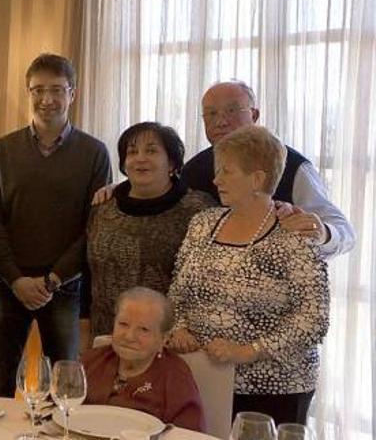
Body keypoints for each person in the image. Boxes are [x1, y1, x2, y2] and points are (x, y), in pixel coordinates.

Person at [168, 125, 329, 424]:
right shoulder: (203, 223)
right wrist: (179, 328)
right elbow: (179, 288)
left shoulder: (295, 235)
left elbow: (313, 319)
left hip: (275, 390)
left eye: (227, 172)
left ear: (257, 179)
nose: (216, 180)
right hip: (204, 375)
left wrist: (249, 351)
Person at [93, 80, 355, 259]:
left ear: (254, 115)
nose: (221, 121)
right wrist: (122, 188)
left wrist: (323, 232)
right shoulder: (196, 167)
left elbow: (344, 232)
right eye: (211, 113)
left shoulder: (292, 165)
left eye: (232, 110)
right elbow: (164, 196)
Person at [0, 53, 111, 397]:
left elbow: (95, 226)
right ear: (28, 92)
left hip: (65, 286)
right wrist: (15, 278)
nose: (47, 99)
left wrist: (53, 279)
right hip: (8, 283)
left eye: (56, 90)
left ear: (73, 93)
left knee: (65, 386)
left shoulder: (94, 153)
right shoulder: (3, 150)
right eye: (38, 90)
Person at [85, 122, 214, 337]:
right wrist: (83, 329)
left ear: (172, 162)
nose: (140, 158)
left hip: (171, 339)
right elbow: (88, 273)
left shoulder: (198, 209)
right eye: (132, 152)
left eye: (151, 151)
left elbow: (210, 283)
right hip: (108, 334)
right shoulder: (102, 208)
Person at [82, 287, 205, 432]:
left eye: (144, 329)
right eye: (123, 324)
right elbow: (58, 411)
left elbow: (189, 434)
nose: (129, 336)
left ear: (163, 339)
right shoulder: (92, 360)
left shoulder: (175, 377)